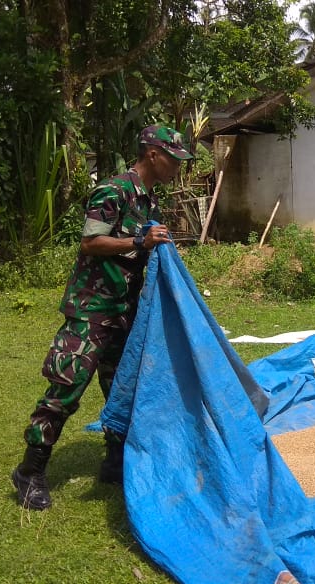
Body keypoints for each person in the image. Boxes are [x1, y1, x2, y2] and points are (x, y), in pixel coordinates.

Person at [12, 125, 192, 510]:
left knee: (123, 387)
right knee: (67, 385)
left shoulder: (149, 201)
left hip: (124, 311)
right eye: (173, 159)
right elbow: (90, 242)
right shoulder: (113, 191)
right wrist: (139, 241)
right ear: (153, 154)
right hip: (92, 309)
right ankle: (30, 470)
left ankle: (115, 461)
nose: (178, 166)